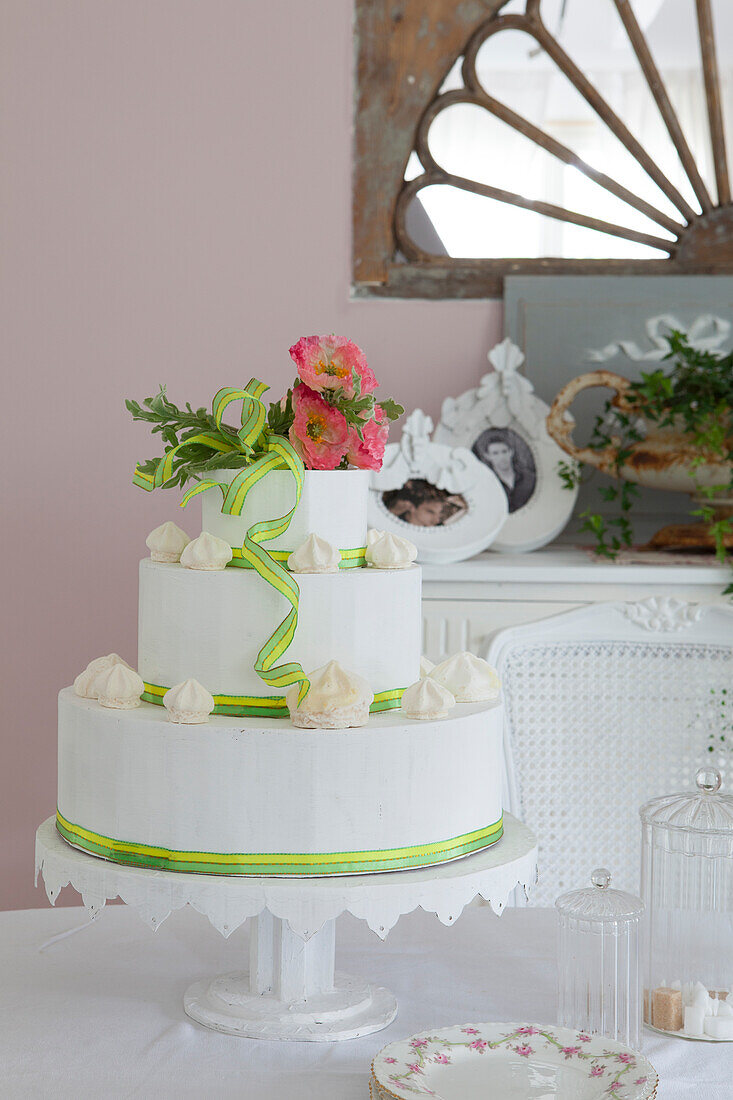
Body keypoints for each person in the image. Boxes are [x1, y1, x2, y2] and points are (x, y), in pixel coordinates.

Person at [473, 429, 535, 513]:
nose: (501, 457)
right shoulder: (486, 484)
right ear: (487, 456)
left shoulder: (529, 478)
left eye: (504, 451)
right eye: (495, 453)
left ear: (511, 452)